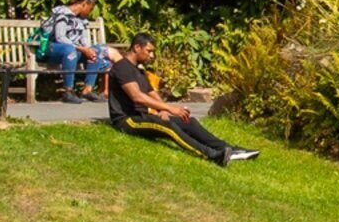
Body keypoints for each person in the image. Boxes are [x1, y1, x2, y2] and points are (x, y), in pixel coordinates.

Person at [104, 38, 254, 164]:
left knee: (189, 122)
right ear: (137, 47)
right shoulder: (122, 67)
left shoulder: (139, 70)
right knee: (167, 126)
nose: (152, 55)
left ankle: (228, 149)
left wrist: (162, 109)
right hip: (127, 120)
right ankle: (213, 155)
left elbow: (151, 93)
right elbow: (137, 96)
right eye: (149, 51)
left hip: (143, 116)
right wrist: (170, 108)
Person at [32, 0, 108, 99]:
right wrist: (82, 49)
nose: (90, 12)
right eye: (89, 9)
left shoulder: (81, 19)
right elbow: (60, 37)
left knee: (96, 50)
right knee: (70, 50)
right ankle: (68, 90)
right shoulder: (62, 14)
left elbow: (84, 39)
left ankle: (87, 90)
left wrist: (89, 49)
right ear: (84, 4)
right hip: (51, 49)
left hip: (71, 51)